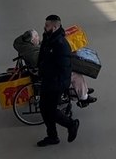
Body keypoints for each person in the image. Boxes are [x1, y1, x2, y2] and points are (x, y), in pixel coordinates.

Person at [36, 15, 80, 147]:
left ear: (55, 27)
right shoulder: (48, 37)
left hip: (56, 83)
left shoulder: (60, 44)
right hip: (48, 80)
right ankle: (52, 136)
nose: (45, 27)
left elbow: (63, 68)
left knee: (50, 109)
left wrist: (49, 74)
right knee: (44, 109)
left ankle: (71, 124)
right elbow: (43, 56)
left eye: (47, 25)